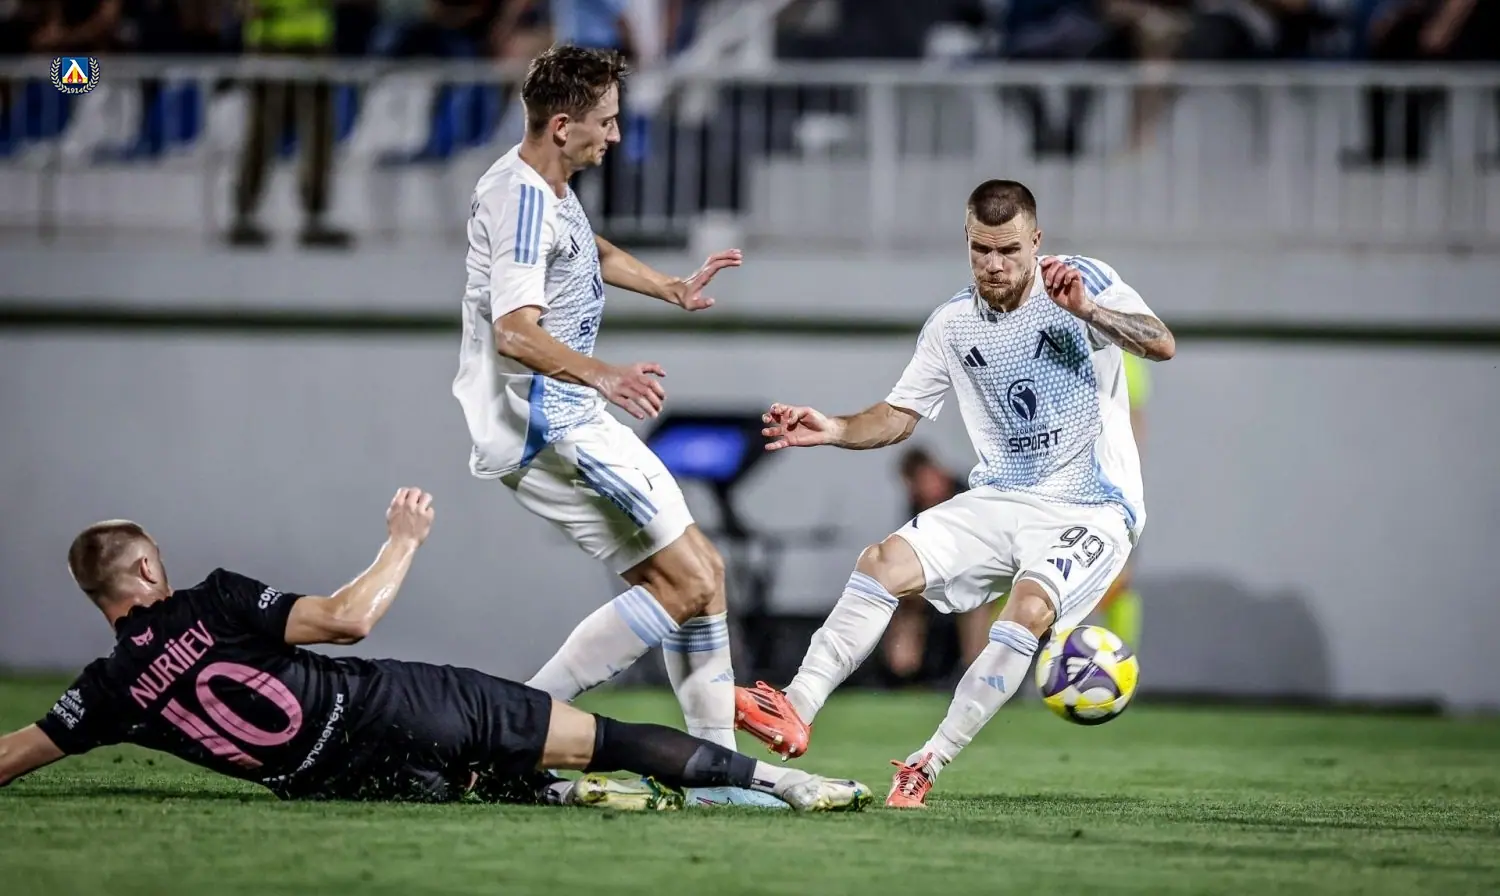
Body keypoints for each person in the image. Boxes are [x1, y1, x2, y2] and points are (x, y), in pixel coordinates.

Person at [0, 487, 871, 813]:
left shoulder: (106, 691)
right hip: (398, 707)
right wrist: (403, 541)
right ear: (146, 568)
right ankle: (785, 783)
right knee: (601, 735)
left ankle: (557, 793)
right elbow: (348, 620)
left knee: (491, 773)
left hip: (338, 785)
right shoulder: (211, 600)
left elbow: (12, 757)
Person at [733, 180, 1175, 808]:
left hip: (1092, 507)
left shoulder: (1081, 283)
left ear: (1036, 241)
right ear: (967, 241)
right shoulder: (952, 325)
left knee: (1026, 609)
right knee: (881, 562)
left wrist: (1089, 312)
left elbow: (1160, 343)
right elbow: (898, 416)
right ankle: (795, 708)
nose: (994, 264)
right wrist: (832, 427)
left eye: (1009, 250)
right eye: (981, 249)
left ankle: (927, 762)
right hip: (1001, 497)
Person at [450, 44, 772, 806]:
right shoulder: (525, 202)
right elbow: (515, 331)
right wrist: (605, 374)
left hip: (561, 417)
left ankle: (714, 777)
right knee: (693, 579)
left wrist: (669, 287)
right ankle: (507, 740)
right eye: (608, 121)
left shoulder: (542, 184)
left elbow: (583, 248)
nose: (617, 135)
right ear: (563, 126)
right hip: (551, 423)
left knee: (698, 576)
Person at [880, 448, 990, 685]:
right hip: (941, 575)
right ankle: (903, 673)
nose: (920, 490)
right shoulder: (918, 506)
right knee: (904, 599)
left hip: (980, 573)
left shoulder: (969, 493)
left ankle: (976, 672)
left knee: (974, 598)